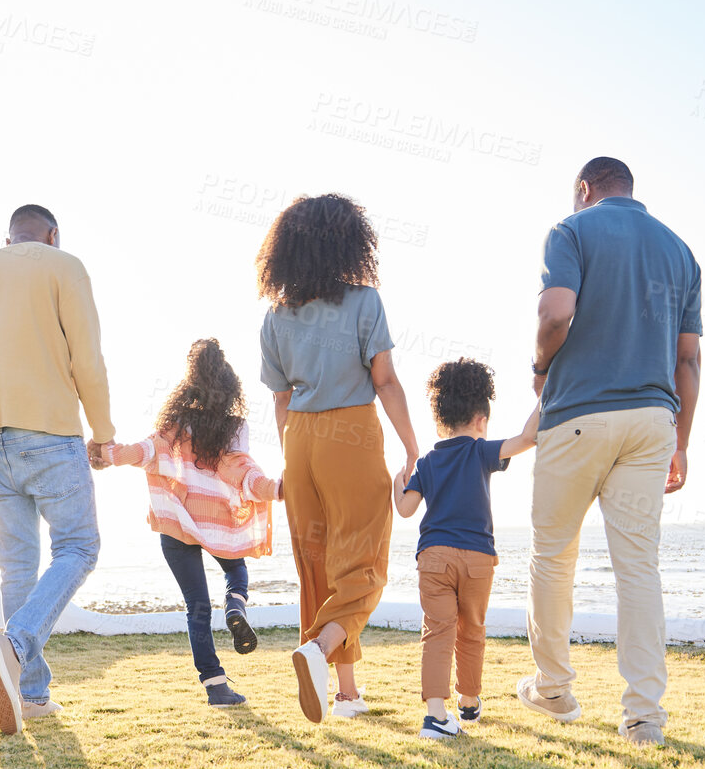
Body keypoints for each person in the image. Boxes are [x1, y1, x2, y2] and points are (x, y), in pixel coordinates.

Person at [522, 157, 703, 747]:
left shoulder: (570, 231)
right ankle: (644, 716)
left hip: (577, 415)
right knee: (638, 568)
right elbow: (689, 361)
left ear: (583, 189)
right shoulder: (680, 251)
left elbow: (554, 313)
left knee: (553, 555)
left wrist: (541, 367)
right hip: (653, 422)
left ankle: (554, 688)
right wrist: (682, 441)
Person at [0, 204, 114, 736]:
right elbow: (87, 358)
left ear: (10, 236)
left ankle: (32, 694)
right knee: (79, 548)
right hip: (49, 433)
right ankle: (13, 644)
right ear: (52, 235)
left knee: (16, 570)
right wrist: (104, 433)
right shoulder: (64, 267)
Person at [257, 193, 421, 724]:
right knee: (366, 563)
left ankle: (345, 694)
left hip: (298, 440)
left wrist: (289, 459)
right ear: (350, 244)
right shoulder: (364, 301)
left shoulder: (276, 316)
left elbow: (280, 400)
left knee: (318, 567)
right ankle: (319, 649)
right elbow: (386, 381)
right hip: (350, 430)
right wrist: (412, 447)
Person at [101, 339, 282, 706]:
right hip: (218, 525)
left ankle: (216, 686)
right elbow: (243, 472)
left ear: (189, 385)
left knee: (196, 606)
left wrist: (109, 454)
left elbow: (145, 451)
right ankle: (235, 604)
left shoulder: (175, 425)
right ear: (230, 390)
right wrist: (278, 489)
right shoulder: (235, 427)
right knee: (237, 572)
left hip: (179, 525)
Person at [394, 360, 539, 741]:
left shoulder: (427, 461)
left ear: (441, 419)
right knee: (471, 630)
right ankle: (470, 702)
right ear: (480, 418)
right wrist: (547, 389)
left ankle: (436, 716)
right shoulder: (481, 452)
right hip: (477, 558)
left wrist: (398, 484)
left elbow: (406, 509)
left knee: (437, 632)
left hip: (434, 557)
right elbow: (528, 437)